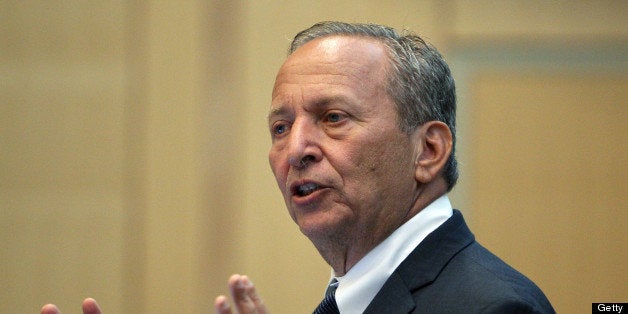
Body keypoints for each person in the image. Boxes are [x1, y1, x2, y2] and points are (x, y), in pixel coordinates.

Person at [41, 21, 554, 314]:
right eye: (280, 127)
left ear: (428, 151)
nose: (296, 149)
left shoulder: (491, 309)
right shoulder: (357, 295)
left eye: (333, 118)